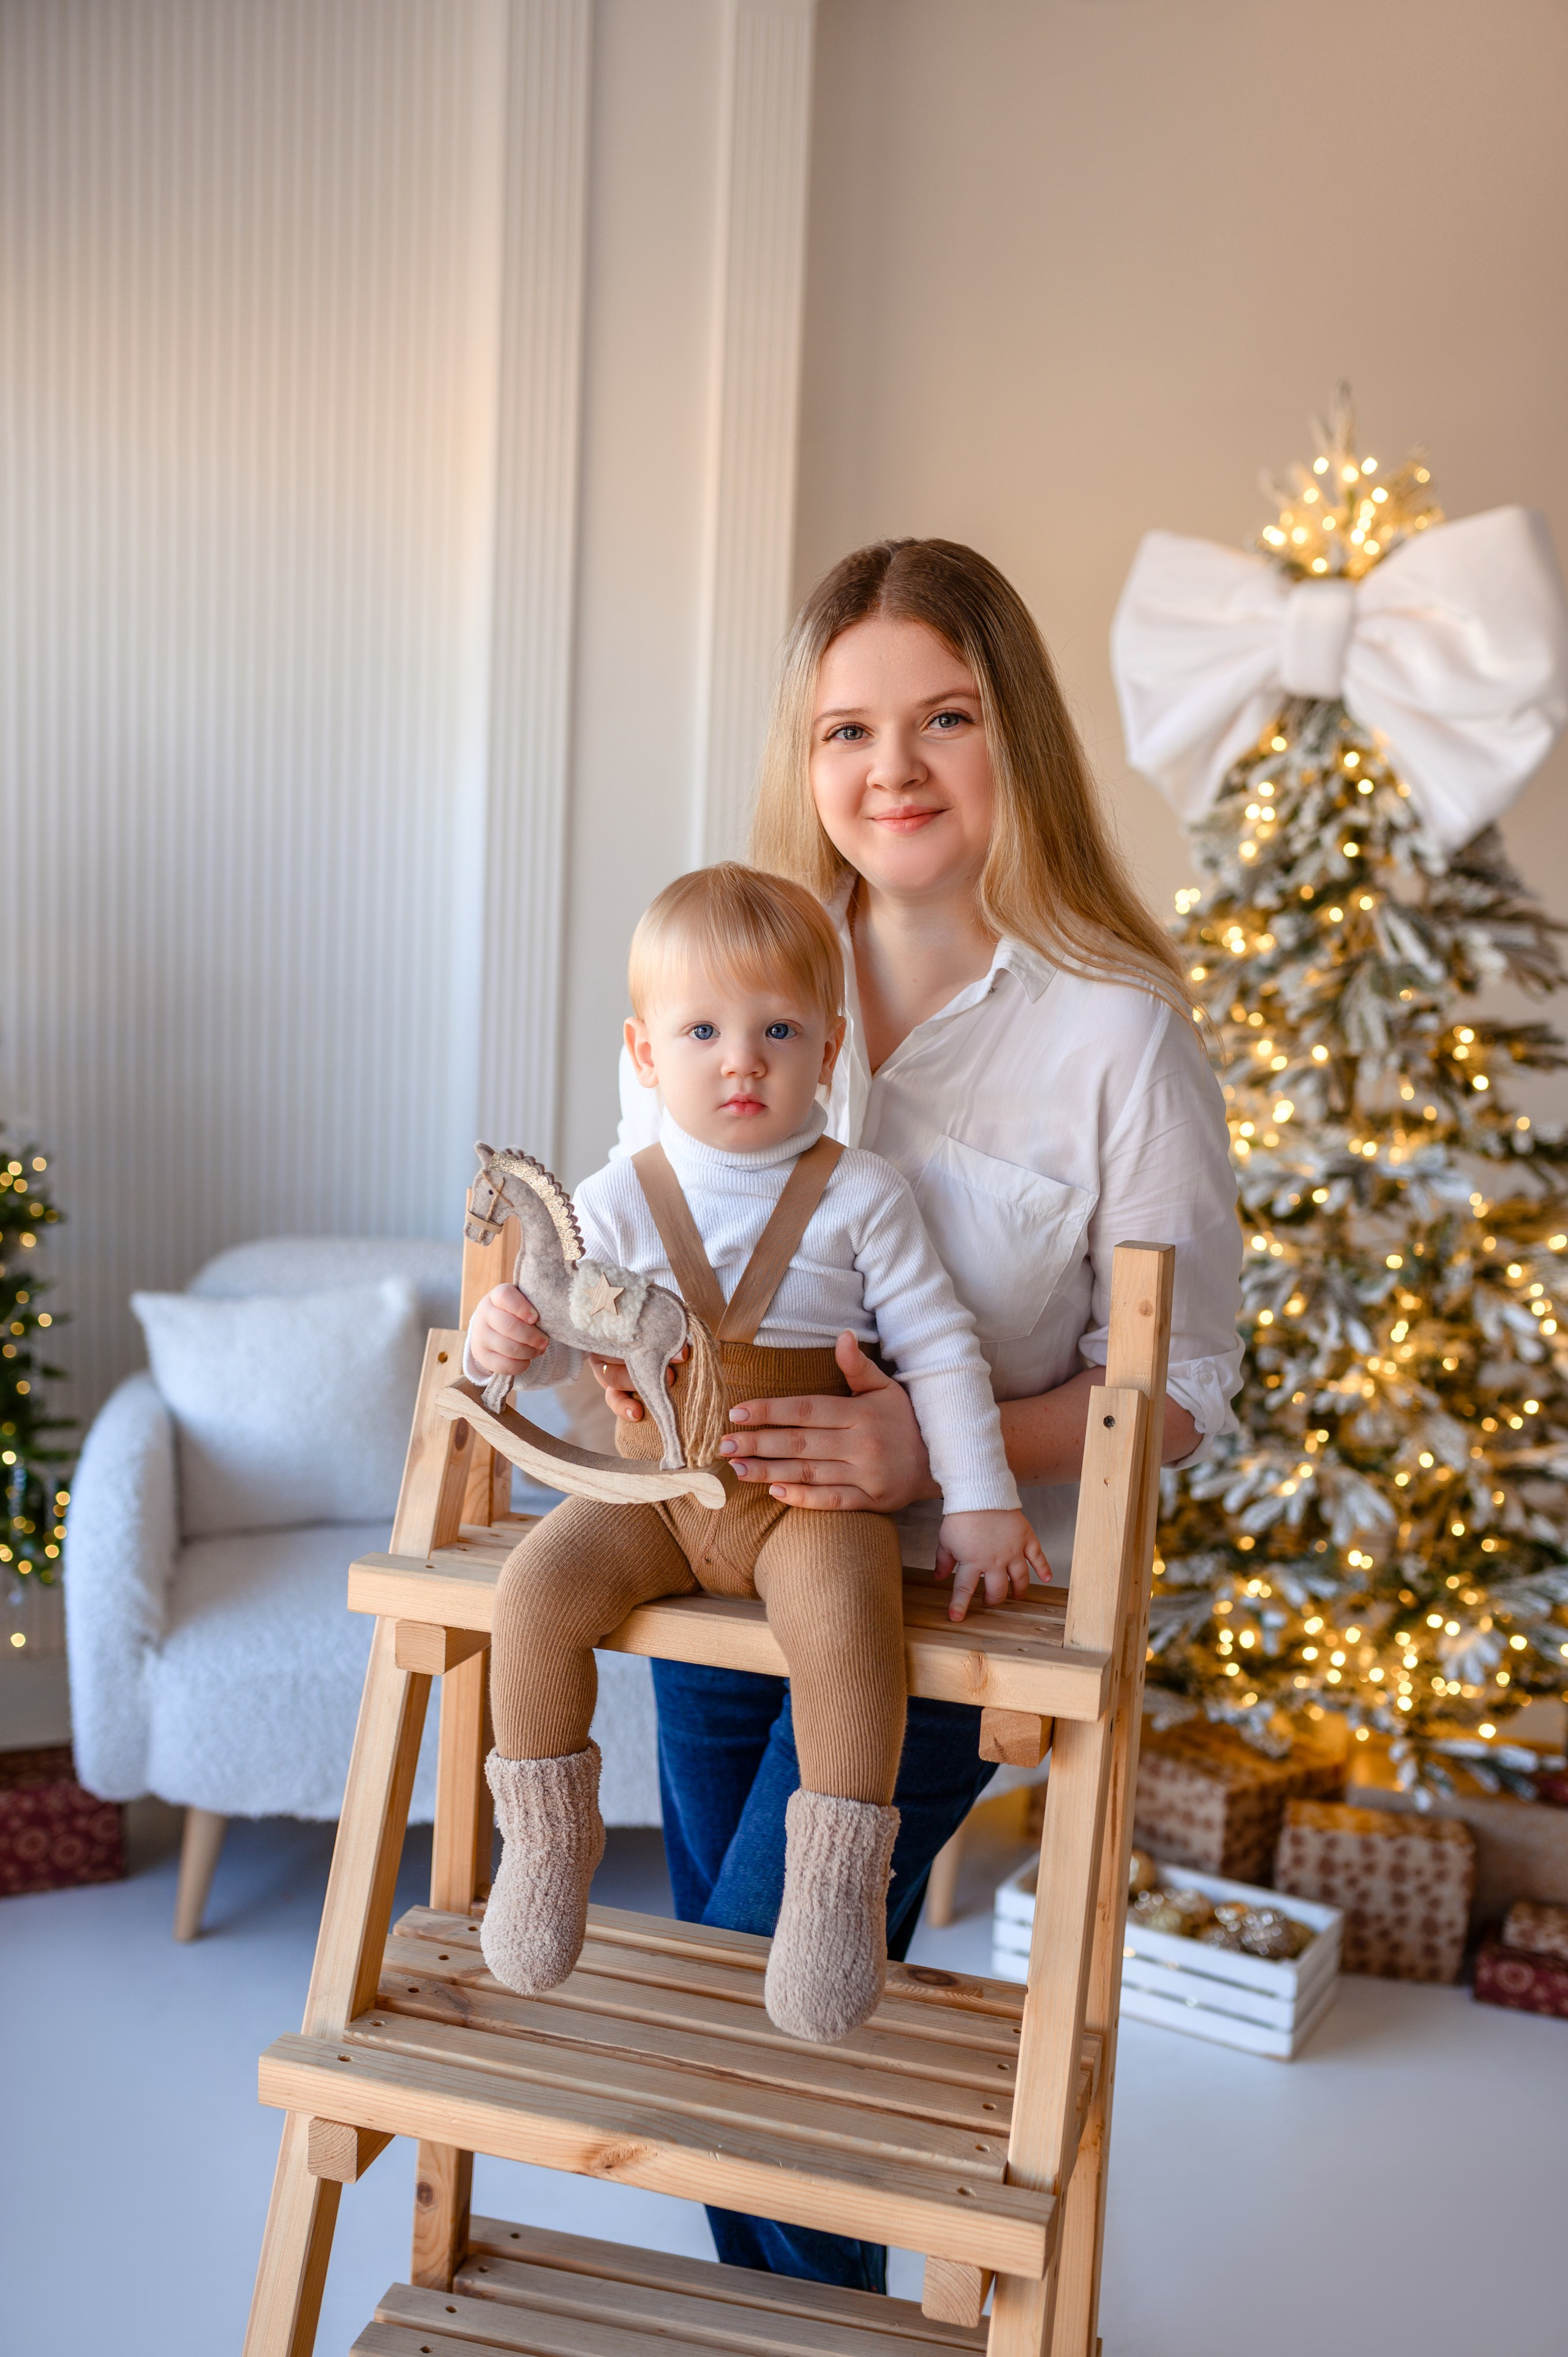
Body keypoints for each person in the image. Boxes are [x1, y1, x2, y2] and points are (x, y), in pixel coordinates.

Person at [483, 537, 1243, 2290]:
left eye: (944, 717)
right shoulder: (738, 963)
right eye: (847, 730)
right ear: (806, 756)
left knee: (780, 1947)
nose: (890, 768)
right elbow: (635, 1226)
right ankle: (796, 2318)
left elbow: (1188, 1395)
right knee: (728, 1979)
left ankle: (815, 2326)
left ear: (1016, 743)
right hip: (699, 1543)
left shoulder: (1120, 1039)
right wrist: (598, 1350)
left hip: (939, 1594)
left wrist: (932, 1451)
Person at [467, 863, 1047, 2043]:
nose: (744, 1059)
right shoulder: (616, 1197)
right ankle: (544, 1848)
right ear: (644, 1052)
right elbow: (549, 1335)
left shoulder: (862, 1197)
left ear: (829, 1049)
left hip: (805, 1502)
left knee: (851, 1637)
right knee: (531, 1594)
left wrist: (981, 1503)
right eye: (704, 1031)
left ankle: (832, 1898)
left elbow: (940, 1352)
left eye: (779, 1029)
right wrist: (504, 1340)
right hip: (655, 1492)